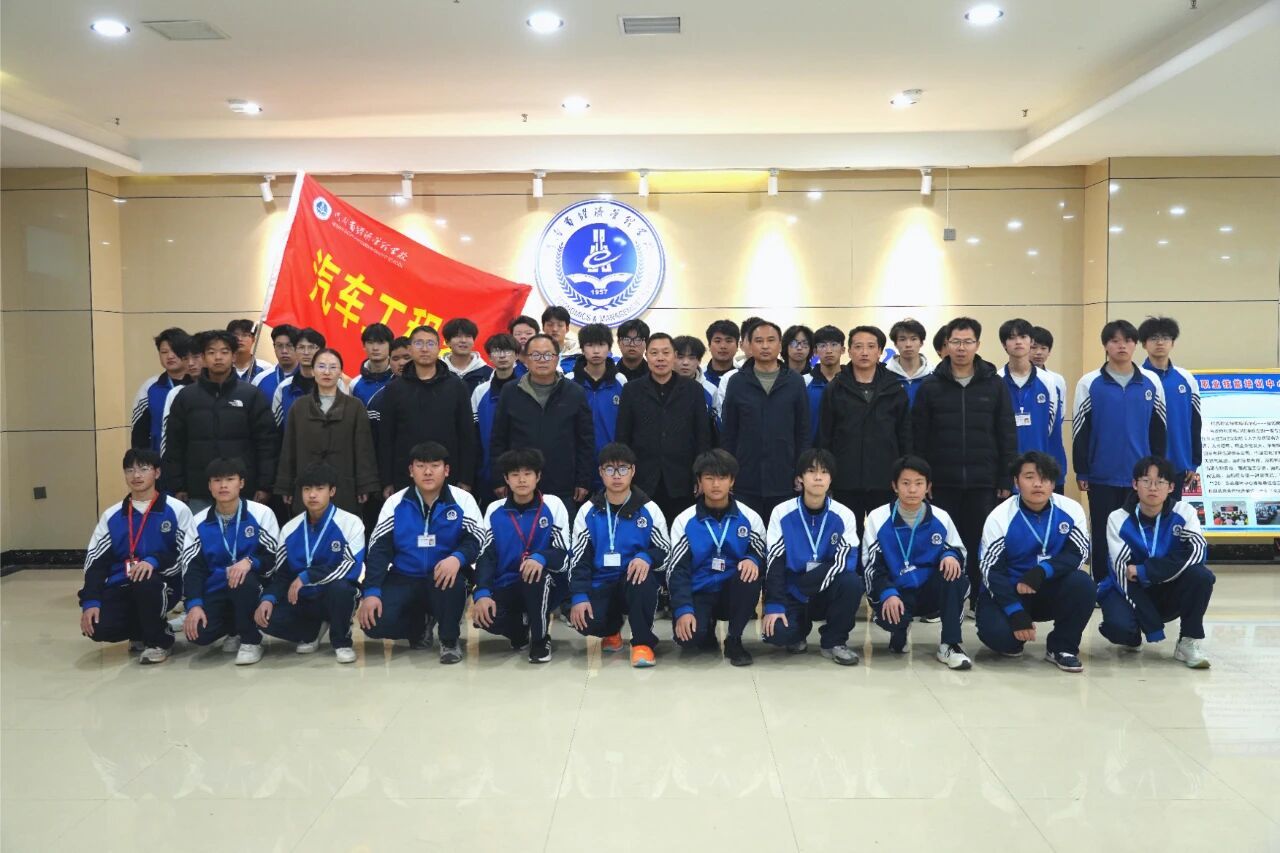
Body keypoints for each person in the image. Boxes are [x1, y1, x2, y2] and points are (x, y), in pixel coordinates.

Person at [912, 317, 1017, 608]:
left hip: (983, 481)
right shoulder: (930, 386)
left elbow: (1007, 433)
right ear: (946, 345)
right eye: (955, 342)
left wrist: (1005, 477)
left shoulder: (994, 384)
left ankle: (977, 599)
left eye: (967, 342)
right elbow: (918, 437)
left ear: (977, 345)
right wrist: (923, 479)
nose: (961, 348)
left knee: (978, 540)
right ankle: (942, 600)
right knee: (941, 540)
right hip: (941, 482)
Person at [361, 441, 483, 663]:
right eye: (420, 466)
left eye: (435, 466)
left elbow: (476, 539)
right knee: (373, 623)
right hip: (404, 576)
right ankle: (419, 625)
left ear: (446, 470)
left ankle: (449, 640)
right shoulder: (395, 503)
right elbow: (379, 549)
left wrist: (457, 558)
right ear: (411, 470)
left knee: (452, 584)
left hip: (444, 574)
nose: (427, 472)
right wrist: (371, 591)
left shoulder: (462, 500)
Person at [976, 452, 1095, 672]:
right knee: (1003, 640)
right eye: (1029, 477)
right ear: (1016, 482)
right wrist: (1014, 611)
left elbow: (1077, 553)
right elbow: (992, 571)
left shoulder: (1071, 510)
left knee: (1083, 584)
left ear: (1053, 483)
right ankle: (1013, 633)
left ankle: (1062, 647)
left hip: (1050, 587)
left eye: (1045, 477)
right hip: (1010, 590)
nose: (1038, 484)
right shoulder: (999, 516)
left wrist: (1042, 571)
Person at [79, 449, 195, 664]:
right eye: (130, 470)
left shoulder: (177, 510)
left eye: (143, 469)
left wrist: (154, 561)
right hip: (122, 584)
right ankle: (141, 631)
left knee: (146, 582)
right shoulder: (112, 515)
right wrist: (91, 600)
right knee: (97, 626)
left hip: (163, 584)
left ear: (157, 473)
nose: (136, 475)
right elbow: (96, 563)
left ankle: (159, 641)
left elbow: (187, 555)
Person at [1073, 319, 1167, 582]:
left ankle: (1138, 581)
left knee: (1140, 531)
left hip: (1141, 477)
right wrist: (1082, 470)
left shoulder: (1151, 382)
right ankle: (1103, 584)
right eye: (1114, 341)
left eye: (1127, 340)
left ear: (1136, 345)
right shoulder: (1089, 382)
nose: (1121, 346)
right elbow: (1080, 430)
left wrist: (1158, 472)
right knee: (1103, 531)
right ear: (1105, 345)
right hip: (1102, 474)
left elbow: (1159, 429)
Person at [1097, 455, 1213, 667]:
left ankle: (1188, 640)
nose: (1153, 488)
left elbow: (1197, 552)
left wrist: (1146, 571)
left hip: (1168, 588)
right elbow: (1121, 571)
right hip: (1130, 588)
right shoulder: (1117, 518)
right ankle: (1132, 636)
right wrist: (1152, 626)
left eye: (1160, 482)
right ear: (1135, 484)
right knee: (1118, 629)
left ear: (1171, 487)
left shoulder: (1184, 512)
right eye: (1146, 481)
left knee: (1201, 576)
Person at [863, 456, 972, 669]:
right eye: (905, 483)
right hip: (896, 592)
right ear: (894, 486)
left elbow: (958, 550)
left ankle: (950, 644)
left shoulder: (941, 517)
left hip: (929, 591)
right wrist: (888, 593)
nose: (912, 489)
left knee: (955, 574)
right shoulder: (878, 518)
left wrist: (950, 555)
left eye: (919, 483)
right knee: (895, 624)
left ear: (928, 487)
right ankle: (899, 631)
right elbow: (871, 567)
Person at [568, 443, 671, 667]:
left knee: (642, 578)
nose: (616, 476)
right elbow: (579, 560)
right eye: (610, 469)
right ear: (600, 472)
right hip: (601, 582)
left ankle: (642, 643)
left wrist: (647, 557)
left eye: (623, 469)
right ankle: (611, 630)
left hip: (633, 581)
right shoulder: (587, 512)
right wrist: (579, 596)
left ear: (633, 471)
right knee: (582, 618)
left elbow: (665, 551)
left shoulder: (649, 509)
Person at [256, 461, 367, 664]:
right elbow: (282, 575)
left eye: (319, 489)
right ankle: (311, 632)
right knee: (263, 617)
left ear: (332, 491)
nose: (312, 495)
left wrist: (307, 577)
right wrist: (268, 598)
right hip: (302, 599)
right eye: (307, 489)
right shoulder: (290, 529)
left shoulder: (351, 523)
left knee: (342, 589)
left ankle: (341, 642)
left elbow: (350, 567)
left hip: (332, 595)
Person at [761, 449, 862, 665]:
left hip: (825, 590)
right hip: (792, 591)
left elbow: (846, 562)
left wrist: (806, 585)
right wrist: (775, 604)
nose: (818, 477)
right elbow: (775, 562)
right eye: (811, 471)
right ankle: (797, 633)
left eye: (824, 472)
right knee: (776, 634)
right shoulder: (781, 512)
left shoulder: (844, 514)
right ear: (800, 478)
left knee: (852, 582)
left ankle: (834, 642)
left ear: (831, 479)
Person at [668, 449, 767, 666]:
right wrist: (683, 609)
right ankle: (706, 628)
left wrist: (752, 559)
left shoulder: (750, 518)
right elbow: (678, 571)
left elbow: (761, 553)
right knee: (689, 640)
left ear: (732, 481)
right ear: (699, 481)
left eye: (722, 478)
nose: (715, 484)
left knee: (750, 575)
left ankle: (734, 639)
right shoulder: (684, 521)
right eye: (709, 478)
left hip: (733, 591)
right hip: (700, 591)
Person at [162, 329, 277, 515]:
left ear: (233, 356)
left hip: (243, 488)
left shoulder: (251, 395)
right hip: (198, 490)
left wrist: (264, 485)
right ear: (203, 357)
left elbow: (266, 443)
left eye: (224, 352)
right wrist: (178, 485)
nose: (218, 357)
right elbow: (174, 445)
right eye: (211, 352)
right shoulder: (186, 397)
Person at [473, 449, 571, 663]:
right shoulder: (495, 510)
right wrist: (482, 592)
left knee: (535, 577)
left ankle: (540, 640)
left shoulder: (553, 505)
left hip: (545, 582)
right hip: (506, 583)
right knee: (485, 617)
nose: (522, 479)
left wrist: (541, 557)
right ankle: (520, 630)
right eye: (515, 474)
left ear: (538, 476)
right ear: (506, 479)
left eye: (527, 473)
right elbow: (486, 556)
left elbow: (564, 555)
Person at [181, 457, 280, 665]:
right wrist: (195, 605)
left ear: (241, 483)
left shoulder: (261, 514)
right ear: (209, 486)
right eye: (217, 480)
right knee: (198, 634)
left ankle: (251, 641)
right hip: (217, 589)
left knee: (243, 579)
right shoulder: (198, 522)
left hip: (253, 586)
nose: (223, 485)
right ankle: (233, 629)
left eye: (230, 479)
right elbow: (193, 569)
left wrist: (250, 562)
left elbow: (273, 558)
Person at [817, 325, 911, 537]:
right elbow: (825, 435)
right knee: (848, 536)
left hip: (885, 478)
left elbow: (905, 435)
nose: (864, 352)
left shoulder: (895, 388)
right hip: (845, 479)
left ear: (880, 351)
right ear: (849, 351)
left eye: (870, 346)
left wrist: (904, 474)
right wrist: (826, 474)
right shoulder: (835, 388)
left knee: (886, 535)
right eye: (858, 347)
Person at [616, 333, 712, 526]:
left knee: (680, 530)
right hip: (642, 478)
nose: (660, 358)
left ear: (674, 355)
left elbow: (703, 436)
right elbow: (623, 436)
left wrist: (701, 474)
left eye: (665, 352)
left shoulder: (693, 389)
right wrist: (625, 474)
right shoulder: (631, 390)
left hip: (683, 479)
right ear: (647, 356)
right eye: (654, 353)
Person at [489, 333, 594, 509]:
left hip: (564, 484)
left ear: (557, 358)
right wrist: (499, 478)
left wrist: (583, 480)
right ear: (526, 359)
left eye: (548, 355)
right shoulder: (510, 391)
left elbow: (586, 441)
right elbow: (498, 439)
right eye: (536, 355)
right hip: (520, 484)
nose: (542, 360)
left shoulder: (575, 392)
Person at [720, 320, 810, 520]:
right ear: (749, 345)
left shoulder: (795, 381)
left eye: (771, 340)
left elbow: (803, 431)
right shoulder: (737, 382)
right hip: (745, 478)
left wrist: (802, 470)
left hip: (785, 477)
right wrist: (728, 473)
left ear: (780, 345)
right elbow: (729, 433)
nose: (765, 346)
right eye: (759, 341)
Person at [275, 348, 380, 515]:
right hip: (307, 484)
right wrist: (285, 486)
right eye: (321, 366)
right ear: (313, 370)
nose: (327, 372)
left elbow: (363, 449)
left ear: (340, 372)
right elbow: (289, 448)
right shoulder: (299, 406)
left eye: (333, 367)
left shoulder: (355, 406)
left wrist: (365, 485)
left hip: (344, 483)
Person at [377, 324, 476, 495]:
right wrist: (387, 481)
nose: (424, 349)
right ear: (410, 349)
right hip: (405, 476)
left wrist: (466, 478)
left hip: (449, 475)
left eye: (430, 344)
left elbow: (467, 435)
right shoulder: (394, 389)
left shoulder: (456, 386)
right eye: (418, 343)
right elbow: (386, 438)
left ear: (439, 348)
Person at [1139, 316, 1201, 500]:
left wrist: (1193, 462)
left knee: (1172, 513)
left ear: (1172, 343)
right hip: (1144, 464)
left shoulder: (1186, 379)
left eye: (1165, 338)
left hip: (1178, 464)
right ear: (1144, 344)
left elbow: (1195, 423)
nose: (1160, 343)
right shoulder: (1138, 378)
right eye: (1153, 338)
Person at [997, 318, 1064, 490]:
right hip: (1006, 469)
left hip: (1040, 466)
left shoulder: (1048, 381)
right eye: (1012, 338)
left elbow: (1052, 427)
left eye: (1023, 337)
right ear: (1004, 345)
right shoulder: (996, 380)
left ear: (1031, 341)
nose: (1018, 342)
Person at [567, 323, 628, 488]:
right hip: (577, 466)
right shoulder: (569, 381)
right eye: (590, 345)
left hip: (613, 466)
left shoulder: (620, 381)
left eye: (601, 345)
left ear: (609, 348)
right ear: (582, 348)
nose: (595, 351)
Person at [472, 333, 522, 502]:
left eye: (507, 351)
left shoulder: (527, 388)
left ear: (516, 355)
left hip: (522, 470)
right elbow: (475, 433)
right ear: (489, 356)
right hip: (488, 470)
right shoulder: (480, 391)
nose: (502, 356)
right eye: (496, 351)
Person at [131, 327, 194, 451]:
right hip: (159, 458)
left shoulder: (200, 385)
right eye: (164, 352)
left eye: (175, 350)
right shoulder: (150, 387)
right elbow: (139, 431)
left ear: (187, 353)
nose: (170, 356)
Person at [1028, 325, 1068, 492]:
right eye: (1034, 347)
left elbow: (1060, 415)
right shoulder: (1004, 377)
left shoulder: (1057, 380)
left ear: (1049, 351)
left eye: (1044, 348)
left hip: (1052, 450)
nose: (1038, 352)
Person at [273, 327, 338, 431]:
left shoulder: (336, 385)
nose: (306, 352)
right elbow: (276, 428)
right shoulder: (284, 387)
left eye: (312, 347)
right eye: (301, 347)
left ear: (321, 351)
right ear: (295, 350)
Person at [803, 325, 844, 442]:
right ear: (815, 351)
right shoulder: (804, 382)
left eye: (834, 344)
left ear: (843, 349)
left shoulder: (853, 381)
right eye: (822, 345)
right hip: (812, 449)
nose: (829, 350)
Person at [886, 318, 933, 406]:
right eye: (902, 339)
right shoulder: (885, 376)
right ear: (895, 344)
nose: (908, 344)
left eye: (913, 339)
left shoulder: (934, 375)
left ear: (921, 343)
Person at [350, 322, 397, 409]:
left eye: (381, 342)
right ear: (364, 346)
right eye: (370, 342)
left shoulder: (399, 379)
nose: (375, 348)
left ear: (390, 346)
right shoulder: (354, 384)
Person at [442, 317, 494, 392]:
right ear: (447, 342)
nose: (463, 340)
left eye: (468, 336)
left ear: (473, 341)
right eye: (458, 336)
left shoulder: (489, 373)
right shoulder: (437, 371)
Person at [252, 324, 300, 403]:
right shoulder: (260, 380)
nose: (284, 351)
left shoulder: (310, 379)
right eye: (279, 345)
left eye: (289, 345)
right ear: (274, 347)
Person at [672, 335, 718, 410]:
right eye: (680, 357)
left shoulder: (710, 389)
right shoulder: (661, 387)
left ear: (699, 360)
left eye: (691, 358)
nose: (685, 362)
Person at [540, 306, 581, 373]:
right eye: (550, 325)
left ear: (567, 329)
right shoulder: (533, 354)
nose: (554, 329)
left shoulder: (578, 356)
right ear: (543, 328)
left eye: (560, 325)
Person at [703, 319, 740, 386]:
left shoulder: (744, 376)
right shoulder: (699, 376)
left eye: (728, 341)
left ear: (737, 346)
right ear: (709, 345)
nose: (723, 346)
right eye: (717, 341)